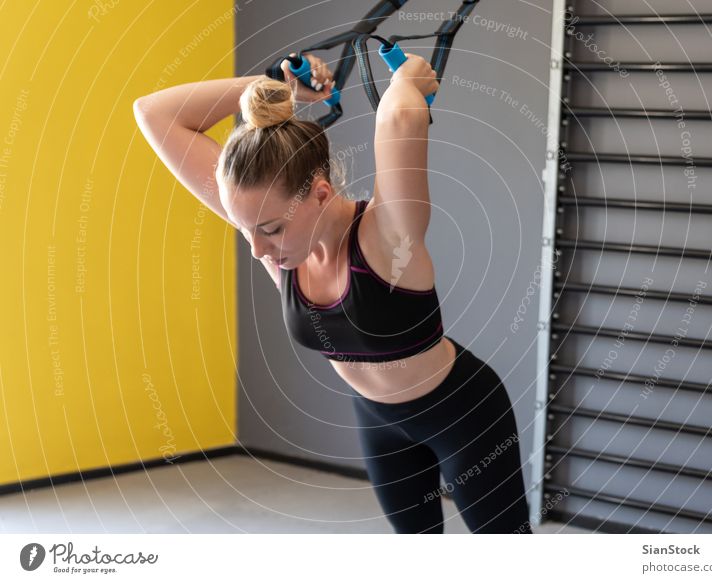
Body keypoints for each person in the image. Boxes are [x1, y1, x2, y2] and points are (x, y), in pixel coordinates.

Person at [133, 52, 532, 534]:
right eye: (246, 230)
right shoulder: (276, 244)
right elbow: (154, 114)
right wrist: (275, 91)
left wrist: (406, 80)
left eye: (270, 229)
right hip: (377, 423)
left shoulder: (388, 237)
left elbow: (400, 116)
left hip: (462, 415)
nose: (257, 249)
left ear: (320, 193)